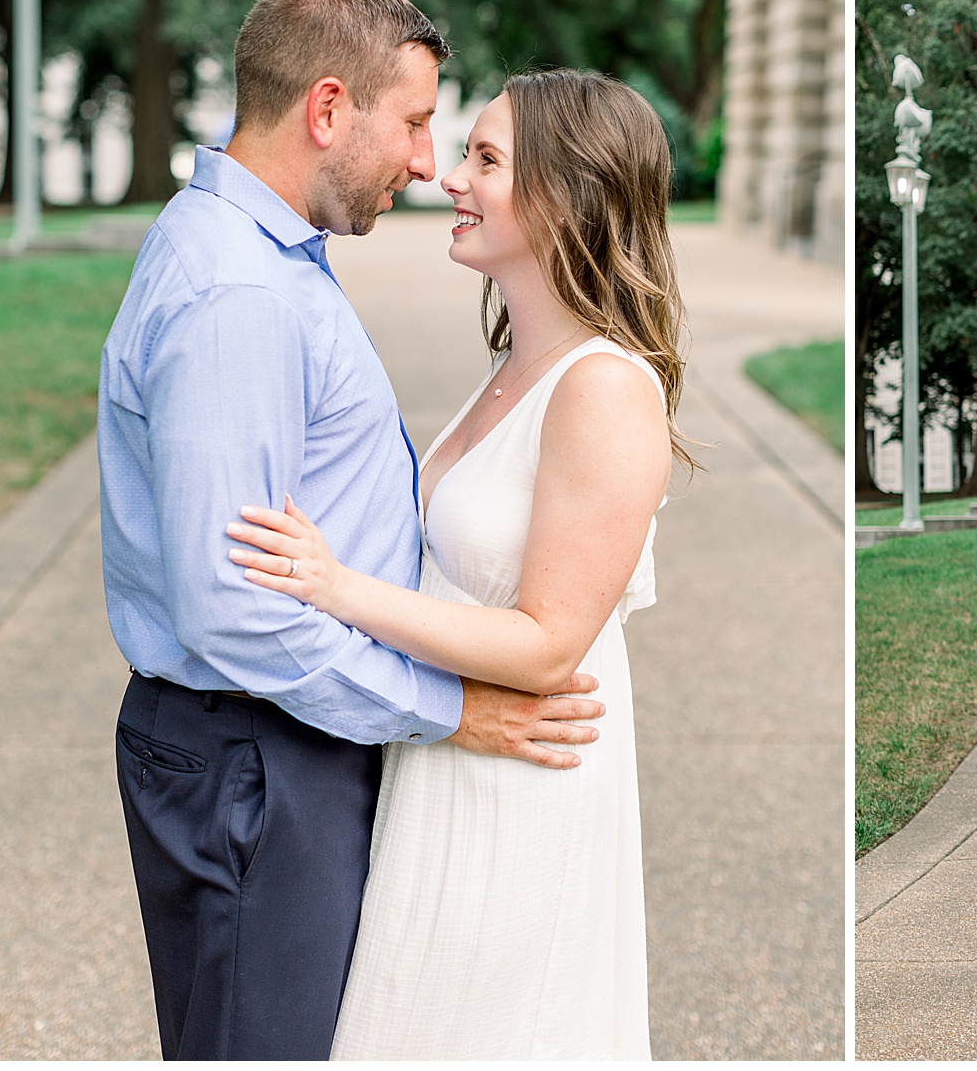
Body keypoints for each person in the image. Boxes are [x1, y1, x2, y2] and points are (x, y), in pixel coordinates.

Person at [98, 0, 606, 1061]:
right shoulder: (240, 295)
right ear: (328, 110)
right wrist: (448, 712)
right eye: (419, 124)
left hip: (276, 747)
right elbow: (237, 612)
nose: (428, 162)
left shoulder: (259, 256)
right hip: (260, 761)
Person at [225, 66, 685, 1057]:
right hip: (445, 767)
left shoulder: (604, 389)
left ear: (565, 194)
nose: (448, 177)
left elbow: (549, 644)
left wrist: (337, 587)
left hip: (524, 792)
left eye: (485, 159)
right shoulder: (514, 368)